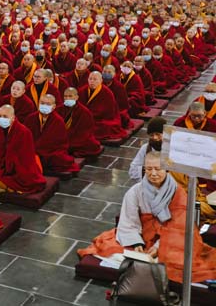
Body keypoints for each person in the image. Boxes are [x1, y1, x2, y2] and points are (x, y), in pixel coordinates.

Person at [78, 151, 216, 283]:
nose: (153, 173)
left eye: (158, 168)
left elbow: (179, 226)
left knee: (176, 261)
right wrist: (136, 243)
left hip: (171, 239)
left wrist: (158, 246)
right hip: (143, 237)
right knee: (111, 251)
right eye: (149, 169)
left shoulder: (177, 192)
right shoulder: (135, 191)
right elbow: (128, 221)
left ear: (167, 169)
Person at [0, 104, 46, 194]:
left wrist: (9, 162)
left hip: (17, 171)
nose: (2, 118)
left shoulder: (24, 133)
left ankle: (5, 186)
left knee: (27, 180)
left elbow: (25, 160)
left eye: (5, 116)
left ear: (13, 118)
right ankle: (3, 186)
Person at [23, 94, 79, 175]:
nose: (44, 106)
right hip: (33, 150)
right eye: (42, 103)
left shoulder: (58, 121)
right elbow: (24, 137)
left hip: (49, 152)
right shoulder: (30, 118)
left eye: (48, 104)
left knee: (59, 159)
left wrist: (38, 148)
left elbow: (60, 143)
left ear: (54, 106)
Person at [56, 87, 103, 158]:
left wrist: (69, 136)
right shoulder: (58, 109)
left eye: (70, 96)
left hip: (76, 138)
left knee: (91, 145)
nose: (67, 98)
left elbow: (85, 131)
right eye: (65, 96)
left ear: (76, 97)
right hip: (61, 136)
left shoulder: (84, 112)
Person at [128, 117, 165, 181]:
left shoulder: (172, 149)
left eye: (158, 134)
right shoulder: (146, 148)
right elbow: (133, 169)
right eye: (151, 135)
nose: (155, 137)